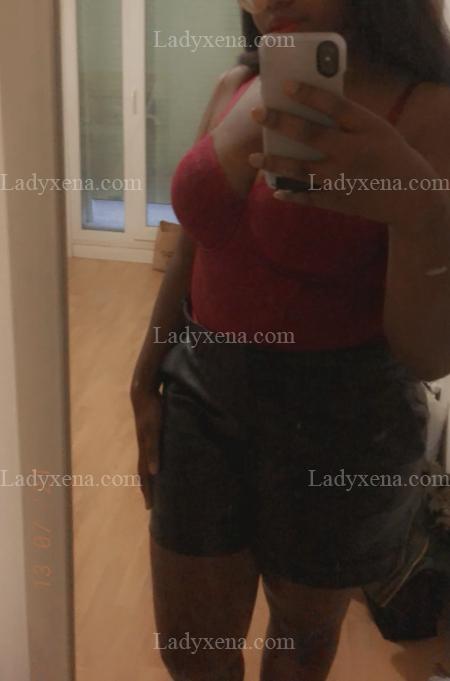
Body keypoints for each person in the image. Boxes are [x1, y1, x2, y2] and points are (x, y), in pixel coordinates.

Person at [130, 1, 450, 679]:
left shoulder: (430, 111)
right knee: (190, 653)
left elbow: (426, 354)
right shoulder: (235, 86)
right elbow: (196, 242)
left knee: (300, 649)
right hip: (202, 389)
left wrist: (420, 209)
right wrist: (146, 370)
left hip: (341, 417)